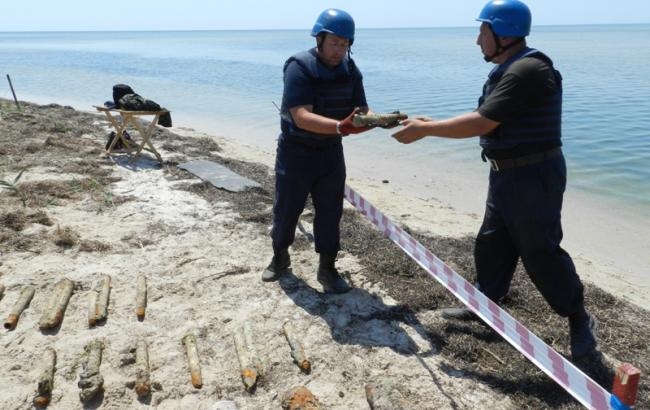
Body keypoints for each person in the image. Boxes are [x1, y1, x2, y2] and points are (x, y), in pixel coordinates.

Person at [391, 0, 598, 360]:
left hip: (534, 175)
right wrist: (430, 123)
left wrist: (426, 131)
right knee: (492, 242)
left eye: (482, 31)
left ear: (503, 33)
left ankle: (579, 319)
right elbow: (483, 116)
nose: (477, 40)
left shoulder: (528, 70)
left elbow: (481, 124)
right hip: (506, 174)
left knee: (540, 251)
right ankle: (485, 305)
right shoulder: (509, 68)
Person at [261, 9, 377, 293]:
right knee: (287, 210)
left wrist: (379, 121)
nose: (339, 50)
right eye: (334, 43)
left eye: (345, 44)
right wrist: (341, 126)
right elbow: (301, 116)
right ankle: (279, 258)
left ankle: (327, 269)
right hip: (296, 152)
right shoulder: (298, 67)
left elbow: (361, 110)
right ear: (320, 38)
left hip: (330, 153)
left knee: (330, 212)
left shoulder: (351, 70)